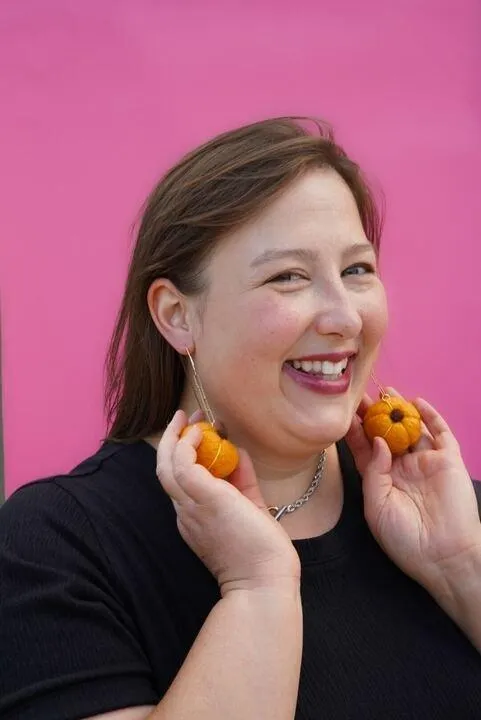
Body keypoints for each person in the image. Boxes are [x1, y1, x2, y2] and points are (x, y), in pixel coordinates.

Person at [1, 117, 481, 720]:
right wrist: (259, 589)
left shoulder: (448, 515)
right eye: (289, 276)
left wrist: (461, 569)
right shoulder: (54, 547)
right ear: (177, 316)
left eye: (357, 270)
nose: (346, 318)